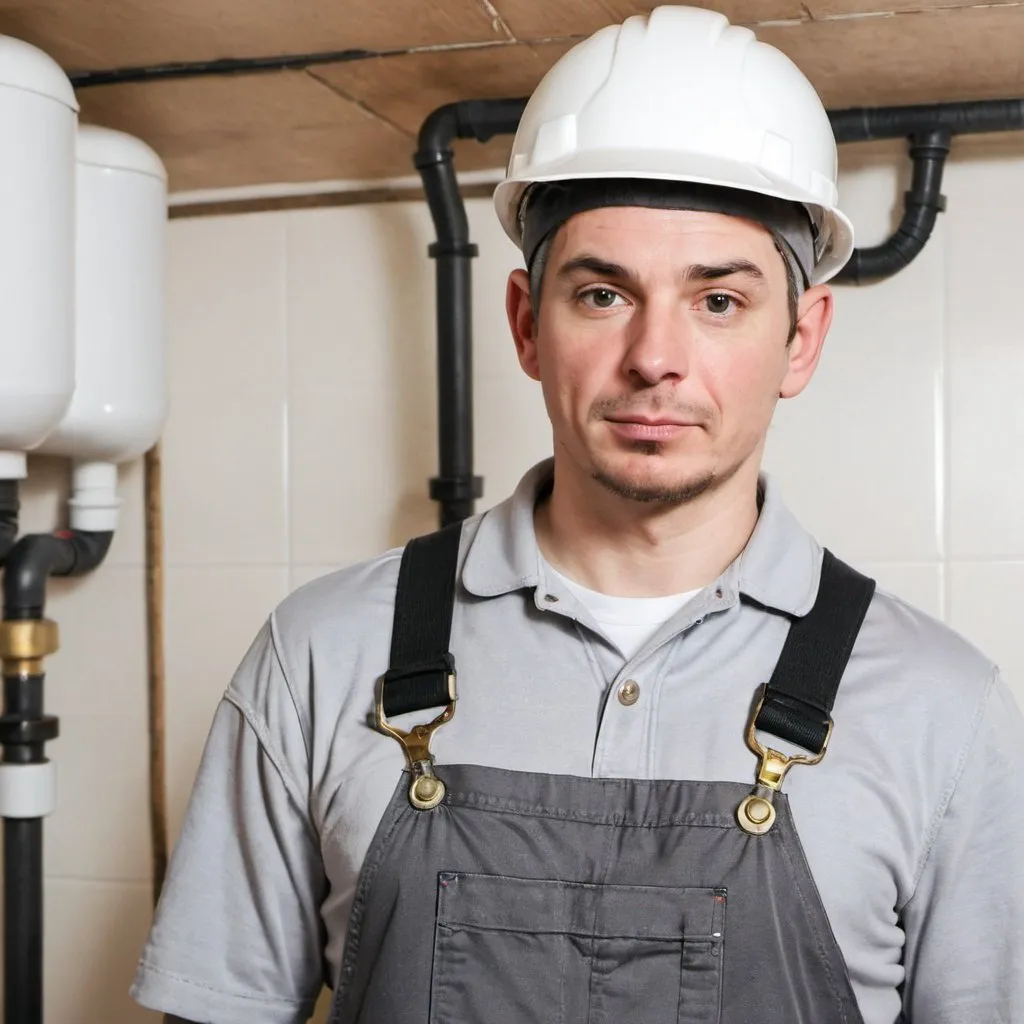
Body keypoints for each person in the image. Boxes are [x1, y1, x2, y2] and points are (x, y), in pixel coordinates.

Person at [131, 7, 1024, 1024]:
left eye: (718, 301)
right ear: (526, 322)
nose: (654, 357)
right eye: (602, 293)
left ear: (802, 338)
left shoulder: (942, 713)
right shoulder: (319, 658)